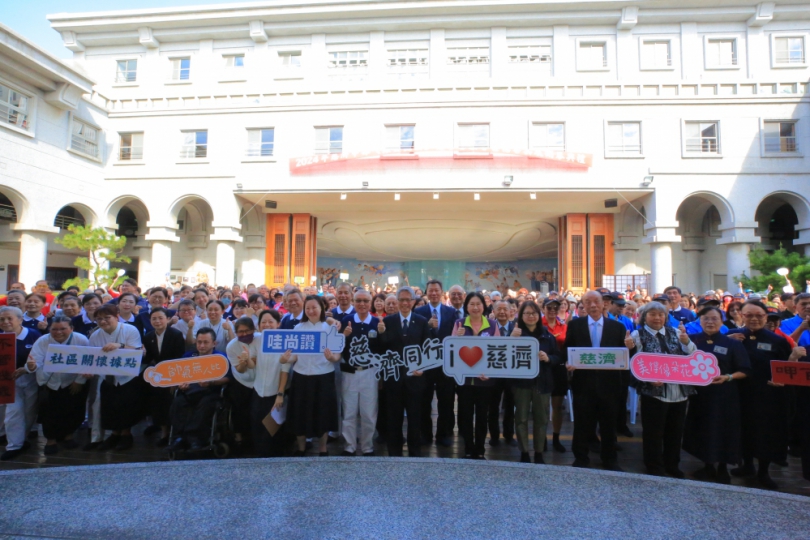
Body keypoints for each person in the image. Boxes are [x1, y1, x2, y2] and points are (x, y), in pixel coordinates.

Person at [727, 300, 804, 489]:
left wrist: (783, 380)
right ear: (741, 316)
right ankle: (746, 466)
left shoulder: (777, 340)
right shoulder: (731, 336)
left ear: (765, 317)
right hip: (739, 393)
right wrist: (730, 343)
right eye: (749, 315)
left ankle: (763, 471)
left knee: (765, 433)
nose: (754, 319)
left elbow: (787, 366)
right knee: (743, 431)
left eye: (759, 315)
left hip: (768, 395)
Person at [565, 291, 632, 472]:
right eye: (588, 302)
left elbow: (624, 357)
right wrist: (568, 363)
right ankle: (580, 457)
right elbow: (568, 350)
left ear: (604, 304)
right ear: (583, 305)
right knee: (581, 423)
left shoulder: (617, 327)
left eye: (596, 301)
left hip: (609, 384)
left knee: (608, 424)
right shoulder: (575, 325)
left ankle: (609, 459)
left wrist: (630, 348)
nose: (592, 305)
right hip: (583, 383)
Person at [628, 302, 696, 478]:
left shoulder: (676, 332)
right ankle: (654, 465)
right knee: (653, 432)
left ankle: (672, 464)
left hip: (679, 391)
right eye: (652, 314)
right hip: (654, 393)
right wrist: (647, 379)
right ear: (645, 317)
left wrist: (686, 341)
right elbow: (635, 364)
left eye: (661, 314)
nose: (657, 318)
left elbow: (693, 356)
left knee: (675, 431)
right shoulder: (637, 335)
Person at [683, 306, 751, 484]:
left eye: (714, 318)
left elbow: (745, 370)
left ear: (722, 321)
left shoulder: (732, 344)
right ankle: (707, 466)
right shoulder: (692, 341)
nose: (710, 322)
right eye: (706, 319)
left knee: (724, 430)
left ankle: (722, 468)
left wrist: (728, 377)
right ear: (700, 321)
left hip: (725, 395)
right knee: (702, 429)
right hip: (699, 395)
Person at [282, 295, 341, 456]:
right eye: (308, 308)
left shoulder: (329, 328)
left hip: (323, 375)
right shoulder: (298, 329)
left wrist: (332, 358)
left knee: (323, 413)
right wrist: (286, 358)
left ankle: (322, 447)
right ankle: (301, 447)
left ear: (322, 308)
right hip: (301, 376)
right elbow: (295, 355)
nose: (311, 311)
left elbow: (337, 355)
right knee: (299, 412)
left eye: (314, 307)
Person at [377, 286, 430, 457]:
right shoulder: (388, 321)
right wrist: (381, 334)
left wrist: (422, 368)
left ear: (414, 302)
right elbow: (382, 349)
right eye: (402, 300)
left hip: (415, 379)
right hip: (394, 379)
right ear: (397, 302)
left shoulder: (422, 321)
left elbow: (427, 349)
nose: (405, 303)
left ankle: (415, 453)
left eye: (408, 300)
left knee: (415, 419)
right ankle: (394, 453)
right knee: (394, 419)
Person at [25, 316, 90, 455]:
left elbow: (87, 361)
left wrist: (79, 381)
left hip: (73, 381)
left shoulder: (81, 340)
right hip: (49, 382)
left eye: (63, 329)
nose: (58, 332)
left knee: (74, 410)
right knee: (49, 412)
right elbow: (34, 361)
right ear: (49, 329)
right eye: (54, 329)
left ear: (71, 329)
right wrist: (31, 366)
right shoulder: (43, 340)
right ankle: (51, 440)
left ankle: (68, 436)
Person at [229, 311, 289, 457]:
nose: (267, 325)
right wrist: (246, 359)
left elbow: (284, 371)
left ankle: (275, 458)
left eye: (270, 321)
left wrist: (280, 394)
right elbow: (252, 365)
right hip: (258, 391)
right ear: (259, 325)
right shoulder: (258, 340)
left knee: (274, 428)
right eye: (263, 322)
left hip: (276, 393)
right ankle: (260, 458)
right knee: (257, 426)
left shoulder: (286, 341)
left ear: (278, 323)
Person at [510, 300, 561, 463]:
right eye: (527, 313)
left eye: (534, 313)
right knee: (521, 418)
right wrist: (511, 338)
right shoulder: (515, 333)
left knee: (541, 419)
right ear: (521, 316)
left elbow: (558, 357)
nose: (531, 316)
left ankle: (539, 452)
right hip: (521, 384)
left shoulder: (547, 335)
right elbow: (504, 355)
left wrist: (548, 358)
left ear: (539, 315)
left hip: (542, 383)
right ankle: (524, 451)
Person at [167, 328, 231, 452]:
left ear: (214, 343)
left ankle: (195, 439)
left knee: (205, 405)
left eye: (206, 342)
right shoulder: (188, 356)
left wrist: (212, 382)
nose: (201, 345)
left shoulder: (221, 358)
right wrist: (180, 384)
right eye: (199, 342)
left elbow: (228, 378)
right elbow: (177, 376)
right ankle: (179, 438)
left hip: (210, 392)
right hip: (189, 391)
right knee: (177, 403)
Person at [91, 304, 143, 452]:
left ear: (117, 317)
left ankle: (126, 434)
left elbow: (137, 351)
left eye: (107, 318)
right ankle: (114, 434)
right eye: (99, 319)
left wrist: (119, 345)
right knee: (109, 405)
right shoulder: (95, 335)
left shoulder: (130, 330)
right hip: (107, 376)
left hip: (128, 375)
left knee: (126, 405)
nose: (103, 322)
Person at [453, 292, 497, 460]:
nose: (475, 307)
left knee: (481, 415)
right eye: (471, 304)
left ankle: (480, 449)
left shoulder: (492, 325)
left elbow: (497, 352)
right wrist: (457, 337)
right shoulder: (459, 324)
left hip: (485, 381)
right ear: (466, 307)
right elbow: (452, 352)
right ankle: (468, 448)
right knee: (465, 415)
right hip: (464, 381)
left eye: (478, 304)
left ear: (483, 306)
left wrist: (490, 373)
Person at [414, 279, 458, 448]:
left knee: (446, 401)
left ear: (442, 292)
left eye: (436, 290)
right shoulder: (419, 311)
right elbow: (414, 335)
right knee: (424, 401)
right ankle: (425, 434)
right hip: (425, 363)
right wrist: (426, 325)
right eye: (430, 290)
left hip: (444, 364)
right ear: (426, 292)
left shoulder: (451, 312)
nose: (433, 293)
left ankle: (443, 434)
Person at [337, 290, 380, 456]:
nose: (362, 304)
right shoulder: (346, 321)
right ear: (353, 302)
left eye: (365, 301)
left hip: (370, 372)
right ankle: (349, 446)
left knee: (369, 412)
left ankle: (367, 446)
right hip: (349, 372)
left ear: (370, 303)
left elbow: (381, 349)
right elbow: (338, 346)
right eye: (359, 301)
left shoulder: (377, 322)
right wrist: (344, 336)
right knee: (349, 411)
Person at [0, 307, 41, 461]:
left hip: (31, 379)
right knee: (13, 413)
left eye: (9, 318)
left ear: (20, 319)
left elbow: (41, 357)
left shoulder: (33, 335)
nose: (5, 322)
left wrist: (27, 368)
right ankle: (14, 446)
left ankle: (21, 440)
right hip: (8, 381)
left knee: (29, 412)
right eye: (2, 319)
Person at [142, 308, 186, 447]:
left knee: (171, 403)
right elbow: (149, 358)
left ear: (167, 319)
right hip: (158, 375)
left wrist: (176, 380)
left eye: (160, 318)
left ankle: (176, 433)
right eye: (154, 318)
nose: (157, 321)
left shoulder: (176, 334)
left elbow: (180, 358)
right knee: (157, 403)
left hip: (173, 374)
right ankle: (164, 432)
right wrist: (141, 354)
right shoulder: (148, 336)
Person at [542, 297, 569, 453]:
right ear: (543, 308)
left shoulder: (564, 326)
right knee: (543, 406)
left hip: (559, 368)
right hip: (543, 368)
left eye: (555, 308)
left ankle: (556, 438)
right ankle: (542, 438)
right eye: (549, 308)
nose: (552, 311)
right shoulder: (539, 326)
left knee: (557, 406)